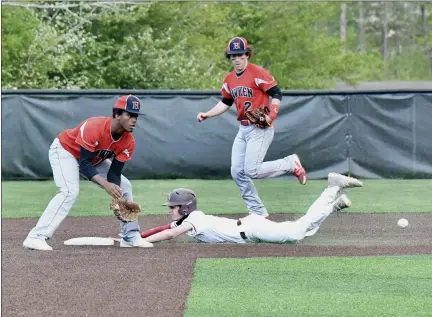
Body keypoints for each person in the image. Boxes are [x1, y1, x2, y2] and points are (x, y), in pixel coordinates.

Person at [23, 95, 153, 250]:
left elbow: (114, 173)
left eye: (136, 116)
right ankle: (36, 236)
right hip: (66, 151)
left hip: (94, 159)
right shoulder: (94, 127)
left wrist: (117, 197)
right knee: (69, 191)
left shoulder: (128, 141)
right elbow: (84, 164)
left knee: (124, 187)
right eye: (129, 115)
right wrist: (105, 185)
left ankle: (130, 237)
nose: (134, 120)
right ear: (117, 115)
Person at [196, 36, 307, 218]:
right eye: (233, 56)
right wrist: (208, 113)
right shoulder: (230, 79)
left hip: (261, 128)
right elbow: (225, 102)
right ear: (230, 58)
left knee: (251, 170)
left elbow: (276, 93)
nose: (237, 59)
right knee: (237, 171)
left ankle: (290, 163)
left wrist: (272, 114)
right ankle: (257, 211)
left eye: (240, 55)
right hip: (244, 128)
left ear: (247, 54)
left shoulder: (258, 73)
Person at [140, 173, 363, 245]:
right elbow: (164, 227)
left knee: (297, 233)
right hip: (248, 227)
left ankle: (332, 188)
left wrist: (141, 243)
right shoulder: (188, 219)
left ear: (186, 207)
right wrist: (138, 236)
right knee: (305, 230)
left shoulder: (194, 219)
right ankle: (333, 203)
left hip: (251, 229)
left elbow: (170, 234)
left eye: (174, 207)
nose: (170, 210)